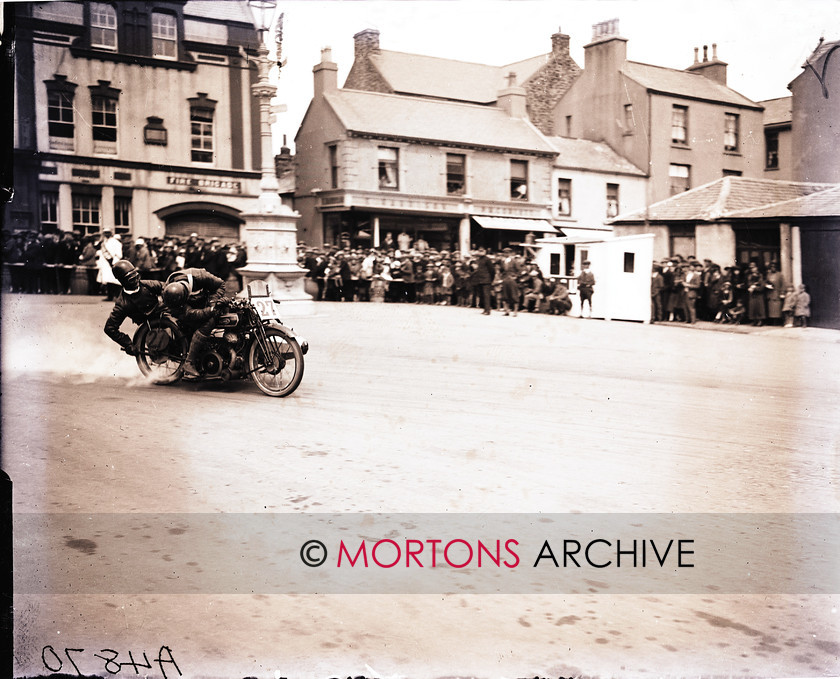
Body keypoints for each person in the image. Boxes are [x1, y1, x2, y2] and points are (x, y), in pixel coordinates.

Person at [162, 267, 227, 377]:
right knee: (208, 323)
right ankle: (189, 362)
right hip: (184, 310)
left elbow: (221, 284)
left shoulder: (201, 276)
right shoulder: (168, 292)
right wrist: (211, 311)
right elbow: (190, 314)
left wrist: (213, 303)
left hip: (206, 301)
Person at [103, 260, 164, 355]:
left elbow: (166, 287)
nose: (136, 281)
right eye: (131, 280)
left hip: (165, 313)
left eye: (137, 277)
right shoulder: (122, 304)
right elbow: (109, 328)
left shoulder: (147, 284)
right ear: (122, 281)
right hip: (152, 329)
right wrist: (128, 344)